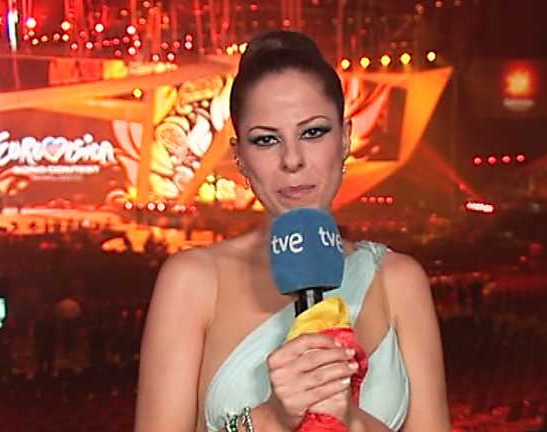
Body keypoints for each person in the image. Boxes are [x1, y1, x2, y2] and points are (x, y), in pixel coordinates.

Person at [135, 30, 449, 431]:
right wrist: (270, 419)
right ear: (240, 157)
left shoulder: (399, 281)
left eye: (313, 132)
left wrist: (348, 418)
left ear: (346, 138)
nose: (292, 160)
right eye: (266, 140)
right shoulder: (192, 281)